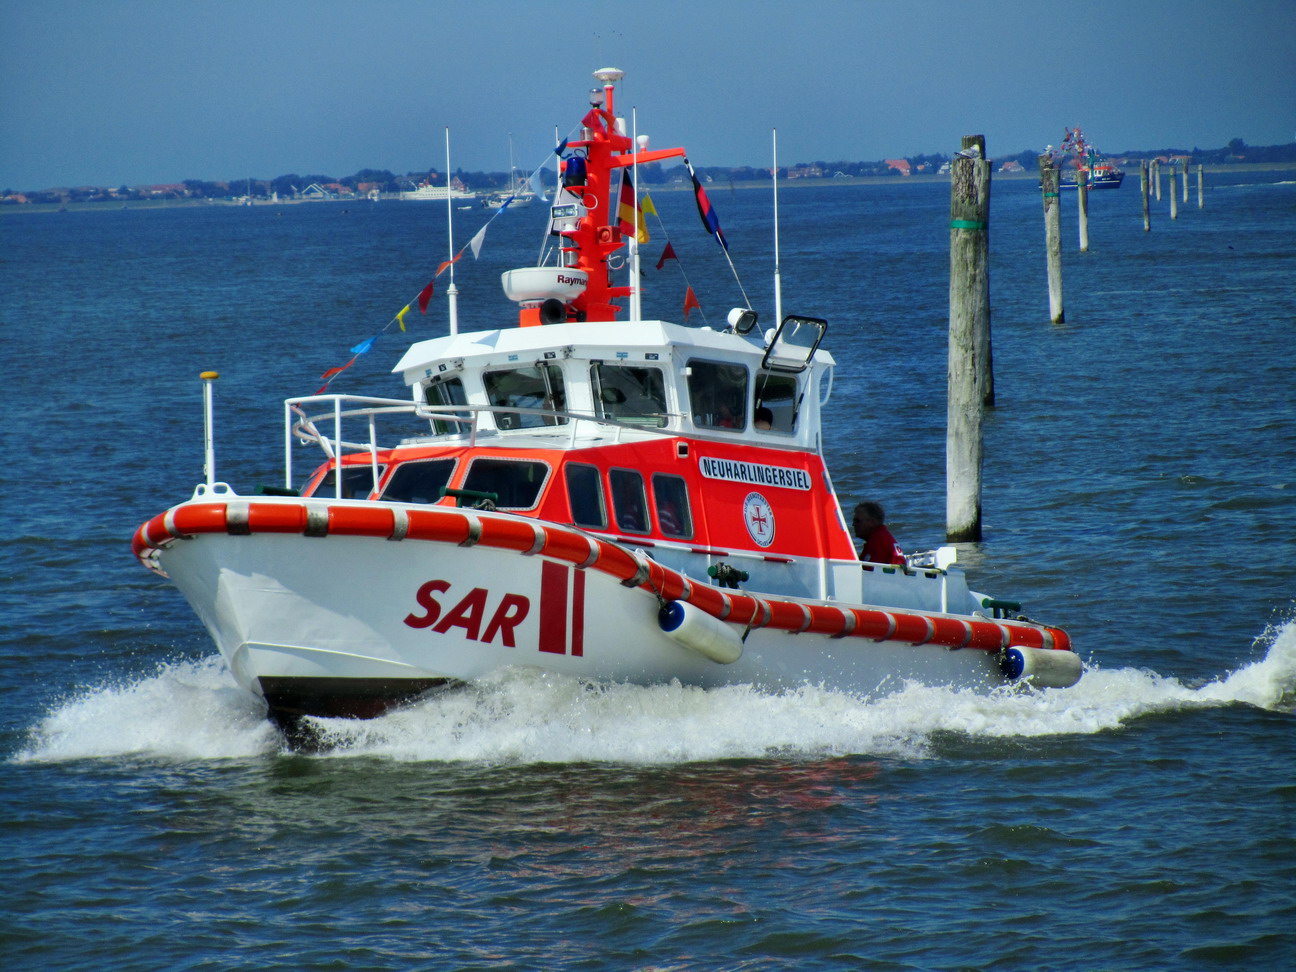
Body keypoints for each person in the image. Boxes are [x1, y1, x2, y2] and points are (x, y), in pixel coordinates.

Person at [852, 501, 905, 565]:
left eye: (857, 521)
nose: (853, 524)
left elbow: (868, 570)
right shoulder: (882, 536)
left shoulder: (877, 541)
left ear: (872, 522)